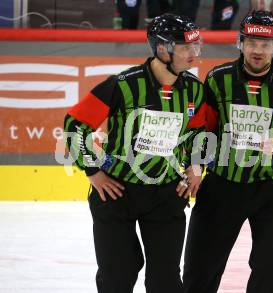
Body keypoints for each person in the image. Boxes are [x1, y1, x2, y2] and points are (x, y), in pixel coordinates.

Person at [64, 13, 205, 293]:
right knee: (117, 275)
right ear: (162, 49)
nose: (194, 54)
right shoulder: (122, 84)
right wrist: (93, 171)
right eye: (185, 47)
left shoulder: (194, 90)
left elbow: (198, 134)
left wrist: (195, 166)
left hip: (166, 194)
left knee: (165, 281)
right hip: (117, 194)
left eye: (196, 46)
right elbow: (74, 126)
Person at [183, 10, 273, 293]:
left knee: (270, 274)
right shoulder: (218, 79)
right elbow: (201, 129)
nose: (258, 51)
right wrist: (195, 165)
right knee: (199, 272)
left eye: (266, 44)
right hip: (222, 187)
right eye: (252, 43)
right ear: (240, 43)